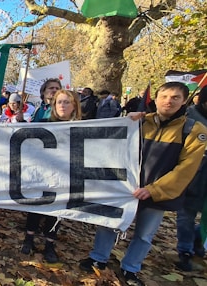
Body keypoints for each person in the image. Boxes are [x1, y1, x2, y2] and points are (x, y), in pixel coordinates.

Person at [79, 82, 207, 286]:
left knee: (145, 234)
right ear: (155, 99)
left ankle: (131, 268)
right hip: (126, 188)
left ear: (184, 101)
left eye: (175, 97)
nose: (169, 101)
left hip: (157, 193)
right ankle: (98, 258)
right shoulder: (139, 122)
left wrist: (154, 190)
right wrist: (126, 121)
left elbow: (187, 168)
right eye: (164, 96)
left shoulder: (193, 130)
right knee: (109, 224)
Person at [21, 90, 82, 264]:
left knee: (56, 211)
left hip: (64, 176)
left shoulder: (83, 126)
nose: (62, 106)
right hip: (41, 174)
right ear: (54, 105)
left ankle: (49, 244)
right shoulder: (44, 123)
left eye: (67, 102)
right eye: (59, 102)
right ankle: (29, 239)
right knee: (35, 207)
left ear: (74, 106)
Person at [175, 87, 207, 271]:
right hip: (192, 175)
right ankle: (185, 250)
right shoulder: (188, 120)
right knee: (186, 214)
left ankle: (198, 238)